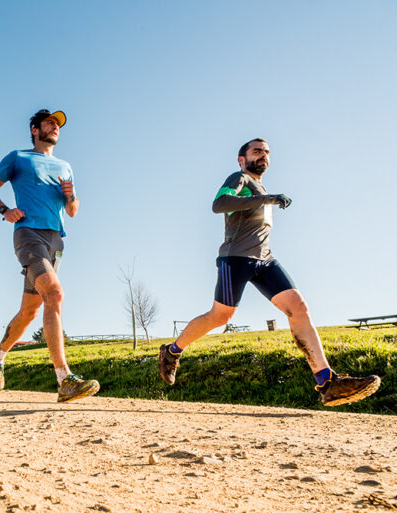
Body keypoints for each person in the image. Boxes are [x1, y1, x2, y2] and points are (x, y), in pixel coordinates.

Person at [158, 138, 380, 406]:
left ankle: (327, 382)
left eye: (266, 152)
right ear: (242, 159)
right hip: (235, 258)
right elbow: (219, 204)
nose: (263, 155)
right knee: (221, 317)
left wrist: (265, 197)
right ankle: (172, 352)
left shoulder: (260, 186)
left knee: (298, 307)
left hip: (265, 259)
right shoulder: (239, 177)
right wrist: (268, 199)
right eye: (256, 151)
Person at [0, 109, 99, 403]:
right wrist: (5, 210)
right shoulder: (18, 158)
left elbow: (72, 210)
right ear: (35, 129)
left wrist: (70, 196)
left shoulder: (65, 166)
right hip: (28, 234)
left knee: (30, 311)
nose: (55, 127)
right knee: (55, 294)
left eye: (58, 124)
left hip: (56, 240)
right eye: (49, 123)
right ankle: (64, 379)